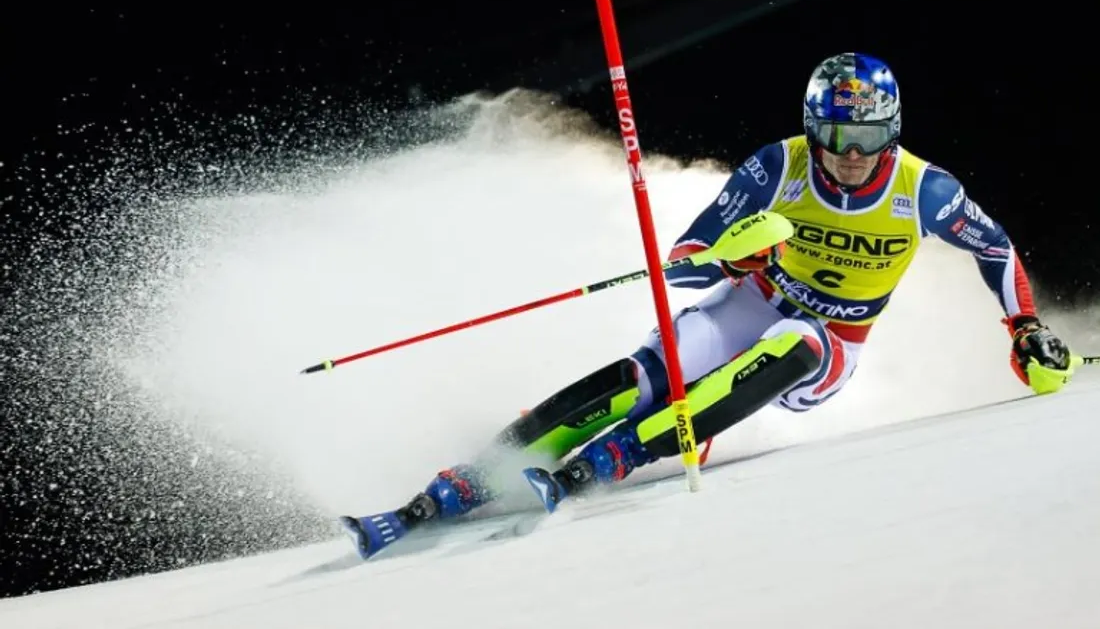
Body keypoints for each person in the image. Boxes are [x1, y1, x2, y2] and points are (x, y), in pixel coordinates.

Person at [340, 52, 1076, 558]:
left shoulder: (923, 190)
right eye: (839, 136)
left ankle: (621, 454)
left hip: (832, 341)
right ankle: (465, 479)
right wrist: (729, 256)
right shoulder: (776, 166)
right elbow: (685, 262)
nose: (854, 155)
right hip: (751, 300)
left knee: (800, 344)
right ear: (814, 127)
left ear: (894, 129)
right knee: (639, 377)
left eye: (872, 137)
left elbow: (997, 248)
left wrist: (1025, 326)